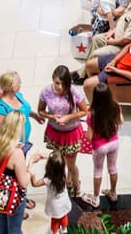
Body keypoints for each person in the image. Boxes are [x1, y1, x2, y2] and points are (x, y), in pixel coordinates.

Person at [0, 112, 47, 234]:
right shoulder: (16, 153)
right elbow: (23, 182)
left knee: (1, 223)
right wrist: (31, 164)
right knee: (14, 229)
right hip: (13, 196)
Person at [38, 66, 89, 199]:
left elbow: (84, 111)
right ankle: (66, 182)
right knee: (60, 162)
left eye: (63, 84)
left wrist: (68, 117)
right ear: (53, 80)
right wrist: (52, 117)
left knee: (71, 165)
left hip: (71, 133)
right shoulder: (46, 92)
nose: (60, 87)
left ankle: (76, 187)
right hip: (55, 133)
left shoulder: (74, 92)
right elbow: (40, 111)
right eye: (57, 83)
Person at [80, 24, 131, 102]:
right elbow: (128, 47)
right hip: (118, 60)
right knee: (89, 65)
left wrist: (114, 70)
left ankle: (96, 108)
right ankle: (99, 92)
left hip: (120, 72)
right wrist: (114, 61)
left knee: (87, 85)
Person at [86, 82, 122, 206]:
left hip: (100, 146)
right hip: (114, 142)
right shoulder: (116, 106)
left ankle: (96, 198)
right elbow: (121, 121)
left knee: (98, 170)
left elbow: (89, 136)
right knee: (112, 168)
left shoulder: (92, 114)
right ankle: (113, 193)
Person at [0, 71, 42, 148]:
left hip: (23, 143)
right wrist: (13, 146)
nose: (21, 84)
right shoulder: (0, 110)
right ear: (12, 87)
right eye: (19, 83)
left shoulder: (17, 95)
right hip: (12, 149)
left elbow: (24, 110)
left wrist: (35, 116)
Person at [39, 152, 72, 234]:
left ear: (49, 167)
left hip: (54, 206)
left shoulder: (48, 180)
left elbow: (35, 184)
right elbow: (62, 162)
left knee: (55, 221)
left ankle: (55, 232)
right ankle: (64, 229)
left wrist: (31, 174)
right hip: (64, 202)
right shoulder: (65, 171)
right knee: (64, 216)